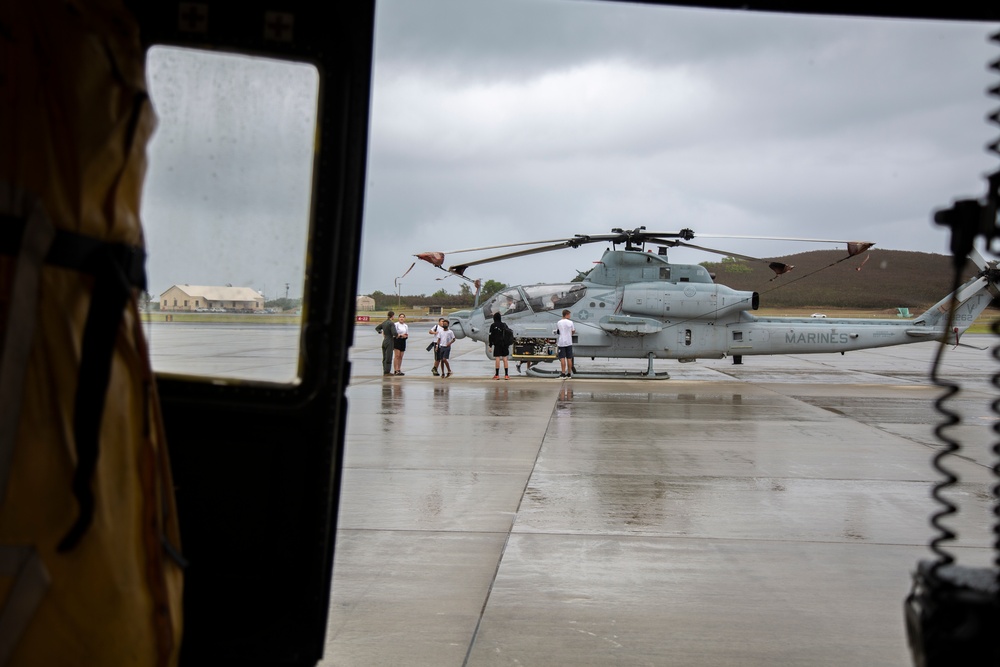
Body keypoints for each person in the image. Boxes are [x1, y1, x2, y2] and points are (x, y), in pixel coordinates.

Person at [488, 312, 511, 380]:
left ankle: (497, 375)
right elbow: (508, 333)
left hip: (497, 344)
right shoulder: (504, 325)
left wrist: (490, 345)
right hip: (504, 344)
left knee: (497, 358)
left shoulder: (492, 325)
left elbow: (490, 336)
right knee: (505, 359)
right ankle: (506, 375)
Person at [374, 311, 397, 376]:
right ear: (392, 316)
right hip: (390, 340)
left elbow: (377, 328)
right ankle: (387, 371)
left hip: (384, 340)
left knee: (384, 356)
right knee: (389, 356)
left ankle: (384, 370)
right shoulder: (391, 323)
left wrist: (380, 332)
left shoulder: (384, 323)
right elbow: (394, 333)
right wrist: (398, 335)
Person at [555, 309, 575, 378]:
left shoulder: (559, 322)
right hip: (569, 342)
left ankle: (563, 373)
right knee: (569, 358)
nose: (570, 316)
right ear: (566, 314)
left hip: (561, 342)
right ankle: (569, 373)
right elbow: (573, 331)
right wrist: (569, 335)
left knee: (562, 358)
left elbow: (558, 331)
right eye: (569, 314)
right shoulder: (571, 322)